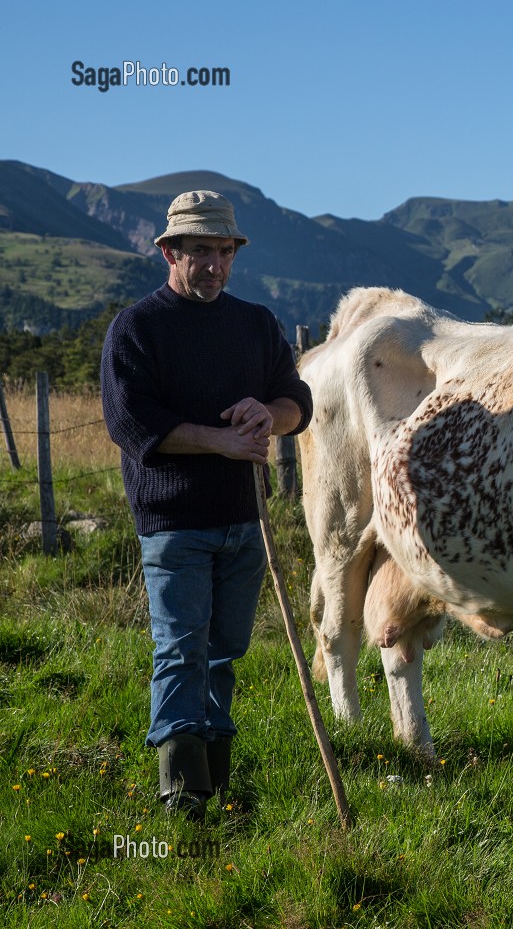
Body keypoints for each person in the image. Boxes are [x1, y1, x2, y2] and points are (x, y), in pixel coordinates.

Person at [101, 190, 313, 818]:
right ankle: (179, 791)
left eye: (224, 251)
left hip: (245, 522)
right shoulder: (138, 328)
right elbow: (130, 421)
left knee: (226, 650)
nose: (215, 265)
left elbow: (298, 401)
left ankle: (214, 775)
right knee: (179, 648)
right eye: (200, 252)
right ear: (169, 252)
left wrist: (267, 414)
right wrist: (220, 440)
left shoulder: (254, 324)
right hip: (174, 523)